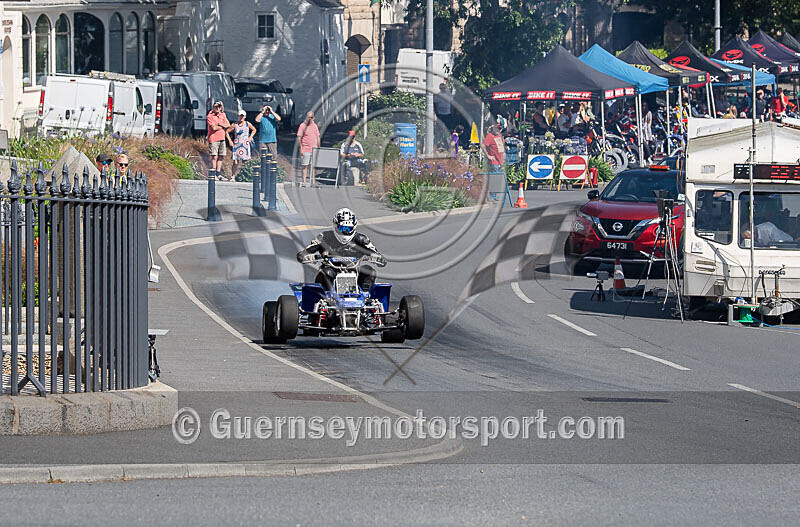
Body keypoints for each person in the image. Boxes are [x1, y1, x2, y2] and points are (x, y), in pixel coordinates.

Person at [296, 208, 386, 292]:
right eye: (342, 228)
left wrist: (378, 258)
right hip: (331, 268)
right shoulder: (324, 237)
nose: (345, 231)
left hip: (354, 270)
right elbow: (305, 252)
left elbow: (377, 255)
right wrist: (306, 256)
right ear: (335, 225)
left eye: (348, 228)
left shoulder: (362, 239)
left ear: (354, 227)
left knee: (369, 271)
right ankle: (325, 296)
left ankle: (366, 296)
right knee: (326, 272)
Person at [226, 110, 256, 181]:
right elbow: (227, 132)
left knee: (245, 160)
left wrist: (250, 137)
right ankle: (233, 176)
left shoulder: (247, 124)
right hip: (237, 144)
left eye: (243, 116)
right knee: (235, 161)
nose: (241, 117)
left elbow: (254, 129)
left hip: (245, 144)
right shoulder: (235, 124)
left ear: (245, 116)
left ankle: (244, 175)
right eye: (240, 116)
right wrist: (230, 141)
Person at [206, 101, 230, 180]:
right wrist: (222, 126)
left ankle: (218, 173)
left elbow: (228, 124)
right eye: (216, 107)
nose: (217, 108)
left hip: (222, 138)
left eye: (219, 107)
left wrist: (220, 125)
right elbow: (214, 128)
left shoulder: (223, 115)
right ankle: (213, 173)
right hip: (213, 138)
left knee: (221, 156)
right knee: (214, 156)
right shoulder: (210, 116)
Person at [296, 111, 321, 187]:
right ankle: (304, 181)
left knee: (312, 166)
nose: (309, 119)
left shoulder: (315, 126)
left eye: (311, 117)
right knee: (305, 165)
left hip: (314, 149)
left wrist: (319, 147)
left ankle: (312, 181)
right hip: (305, 148)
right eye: (308, 117)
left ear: (314, 118)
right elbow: (299, 137)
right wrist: (301, 149)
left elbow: (317, 137)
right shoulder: (302, 126)